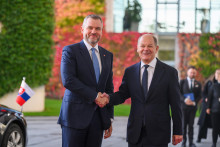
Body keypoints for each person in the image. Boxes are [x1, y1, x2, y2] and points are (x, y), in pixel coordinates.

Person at [100, 34, 183, 147]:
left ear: (156, 48)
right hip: (135, 133)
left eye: (150, 46)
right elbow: (122, 94)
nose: (146, 49)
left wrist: (178, 131)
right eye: (142, 46)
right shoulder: (130, 72)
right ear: (137, 48)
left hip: (159, 134)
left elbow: (176, 104)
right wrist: (108, 98)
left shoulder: (170, 72)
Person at [57, 14, 113, 147]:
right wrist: (94, 96)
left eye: (98, 28)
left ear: (101, 31)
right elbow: (68, 80)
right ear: (82, 29)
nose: (94, 32)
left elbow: (108, 88)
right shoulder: (70, 51)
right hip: (74, 118)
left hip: (97, 120)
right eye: (90, 28)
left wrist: (108, 118)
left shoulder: (107, 55)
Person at [180, 66, 202, 147]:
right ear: (187, 73)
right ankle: (183, 142)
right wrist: (185, 100)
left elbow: (200, 95)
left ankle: (191, 142)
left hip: (193, 108)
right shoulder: (182, 82)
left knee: (191, 126)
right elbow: (178, 93)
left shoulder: (198, 83)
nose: (192, 74)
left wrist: (194, 102)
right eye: (191, 72)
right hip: (183, 108)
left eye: (194, 72)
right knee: (183, 126)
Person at [197, 76, 216, 143]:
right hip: (206, 105)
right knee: (203, 123)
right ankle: (199, 138)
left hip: (216, 106)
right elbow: (204, 93)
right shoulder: (209, 83)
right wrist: (205, 98)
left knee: (217, 123)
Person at [206, 69, 220, 147]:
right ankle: (214, 142)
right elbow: (209, 98)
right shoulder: (213, 86)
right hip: (215, 110)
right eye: (218, 74)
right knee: (215, 127)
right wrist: (208, 108)